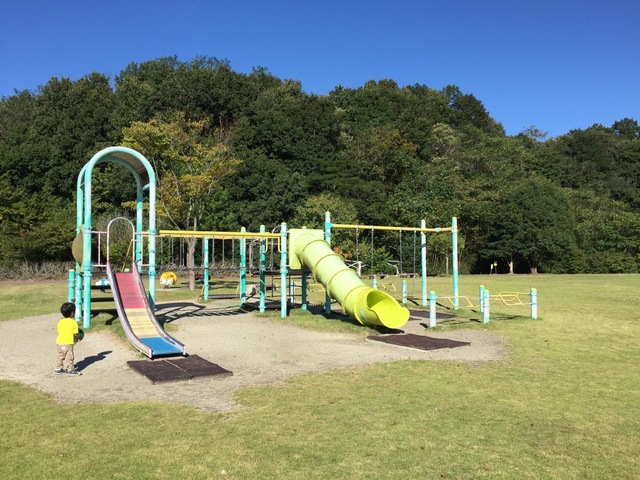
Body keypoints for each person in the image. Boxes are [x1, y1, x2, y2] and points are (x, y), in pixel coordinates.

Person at [54, 302, 81, 376]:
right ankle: (70, 370)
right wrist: (78, 337)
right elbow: (76, 333)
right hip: (68, 343)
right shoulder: (73, 322)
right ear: (72, 312)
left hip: (59, 342)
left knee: (60, 356)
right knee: (69, 357)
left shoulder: (60, 321)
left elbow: (59, 330)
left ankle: (58, 368)